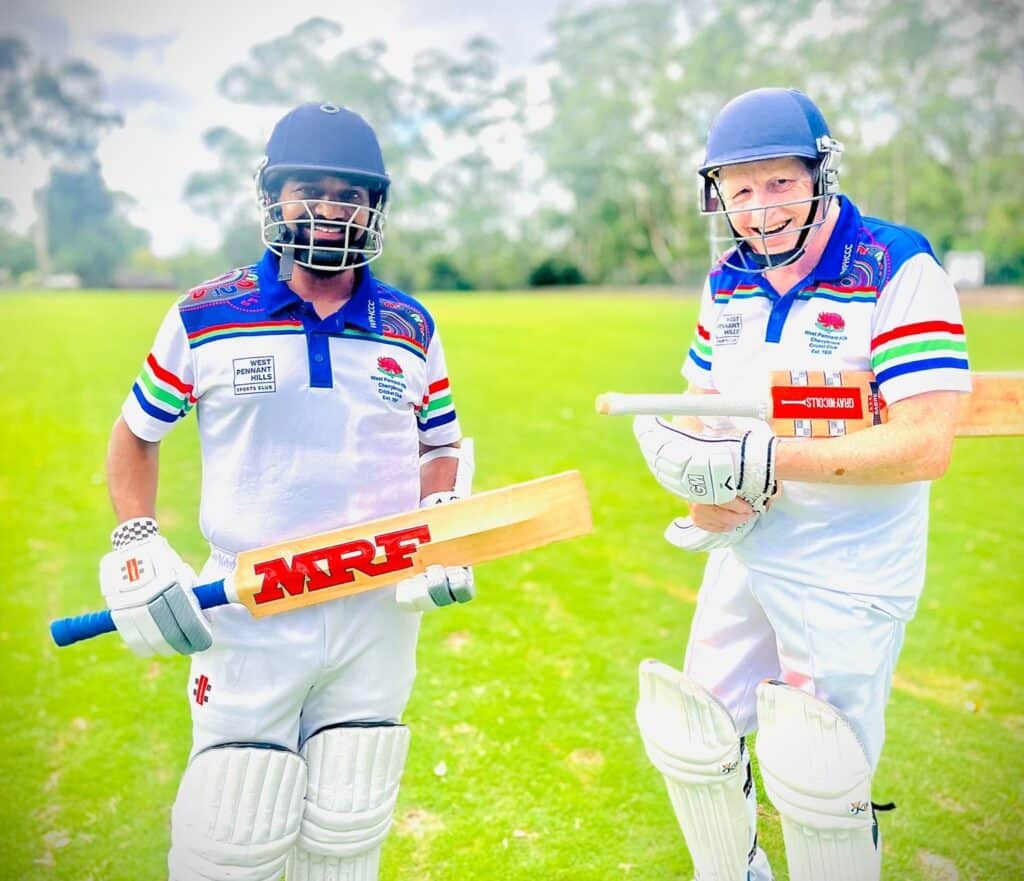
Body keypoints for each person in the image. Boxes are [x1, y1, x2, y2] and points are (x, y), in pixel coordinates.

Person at [99, 101, 474, 881]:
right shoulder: (207, 314)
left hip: (375, 601)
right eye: (312, 188)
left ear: (376, 205)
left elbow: (437, 443)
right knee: (232, 830)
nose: (331, 208)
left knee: (349, 824)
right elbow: (136, 432)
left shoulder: (411, 323)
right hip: (250, 603)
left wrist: (442, 512)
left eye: (351, 193)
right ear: (274, 195)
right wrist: (138, 536)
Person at [630, 87, 971, 881]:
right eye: (739, 190)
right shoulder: (729, 279)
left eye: (778, 182)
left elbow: (925, 443)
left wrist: (773, 457)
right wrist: (702, 482)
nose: (758, 209)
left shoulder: (897, 265)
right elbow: (712, 410)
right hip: (750, 545)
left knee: (821, 772)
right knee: (696, 732)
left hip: (852, 563)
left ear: (822, 174)